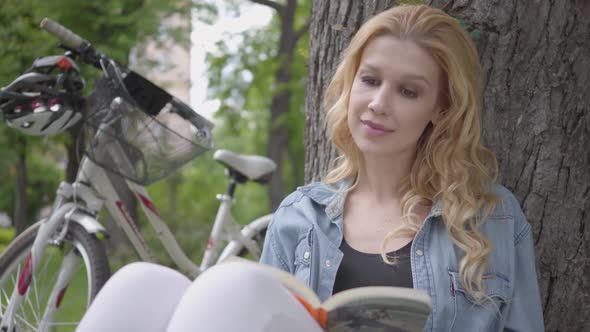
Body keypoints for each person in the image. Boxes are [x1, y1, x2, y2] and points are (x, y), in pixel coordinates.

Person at [76, 4, 544, 331]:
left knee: (232, 283)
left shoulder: (490, 218)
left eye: (408, 91)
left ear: (440, 109)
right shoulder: (301, 218)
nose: (378, 104)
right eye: (371, 80)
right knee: (142, 282)